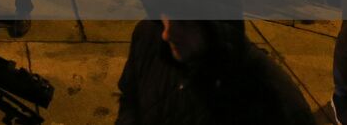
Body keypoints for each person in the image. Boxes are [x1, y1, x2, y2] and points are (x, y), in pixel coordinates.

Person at [116, 18, 316, 124]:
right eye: (166, 13)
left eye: (184, 23)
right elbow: (130, 99)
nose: (168, 33)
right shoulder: (149, 36)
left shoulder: (280, 103)